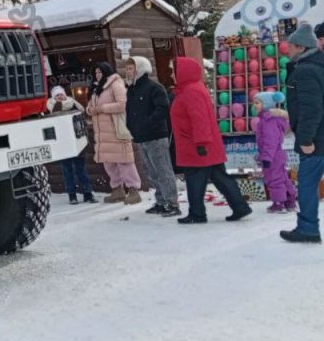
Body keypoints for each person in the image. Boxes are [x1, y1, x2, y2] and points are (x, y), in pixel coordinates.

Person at [170, 57, 252, 224]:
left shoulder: (191, 91)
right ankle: (239, 206)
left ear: (182, 72)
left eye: (174, 71)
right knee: (220, 177)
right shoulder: (192, 89)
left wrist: (200, 143)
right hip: (205, 144)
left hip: (197, 145)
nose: (172, 74)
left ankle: (197, 214)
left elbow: (199, 119)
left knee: (194, 180)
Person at [280, 23, 324, 244]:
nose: (287, 49)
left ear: (300, 47)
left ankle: (307, 228)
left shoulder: (306, 71)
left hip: (317, 140)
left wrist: (305, 138)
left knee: (306, 183)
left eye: (290, 45)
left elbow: (312, 108)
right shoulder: (316, 66)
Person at [125, 56, 180, 217]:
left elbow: (162, 109)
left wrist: (147, 123)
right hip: (141, 137)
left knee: (163, 170)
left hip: (156, 136)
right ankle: (161, 201)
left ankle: (172, 203)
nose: (128, 71)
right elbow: (130, 112)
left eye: (131, 68)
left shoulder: (154, 87)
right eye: (127, 68)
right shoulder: (132, 89)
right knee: (152, 173)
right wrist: (132, 127)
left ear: (140, 69)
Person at [86, 62, 142, 204]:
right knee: (109, 162)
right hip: (102, 133)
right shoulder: (96, 87)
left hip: (116, 129)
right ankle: (117, 190)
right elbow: (91, 105)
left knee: (124, 161)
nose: (97, 75)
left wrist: (101, 108)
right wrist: (89, 109)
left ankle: (134, 190)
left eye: (100, 72)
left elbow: (124, 104)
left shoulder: (116, 84)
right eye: (96, 72)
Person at [48, 86, 95, 204]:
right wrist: (59, 104)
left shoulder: (74, 104)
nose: (60, 97)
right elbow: (55, 114)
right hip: (63, 143)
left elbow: (81, 118)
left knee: (81, 169)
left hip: (77, 141)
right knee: (67, 171)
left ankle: (87, 193)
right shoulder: (53, 106)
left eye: (61, 94)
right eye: (57, 95)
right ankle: (72, 195)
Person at [252, 91, 297, 214]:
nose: (254, 105)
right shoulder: (271, 119)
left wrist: (266, 157)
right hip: (277, 154)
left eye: (257, 102)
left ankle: (278, 203)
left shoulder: (268, 120)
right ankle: (290, 200)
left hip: (272, 156)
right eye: (254, 103)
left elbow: (270, 140)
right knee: (282, 177)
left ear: (266, 104)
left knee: (274, 178)